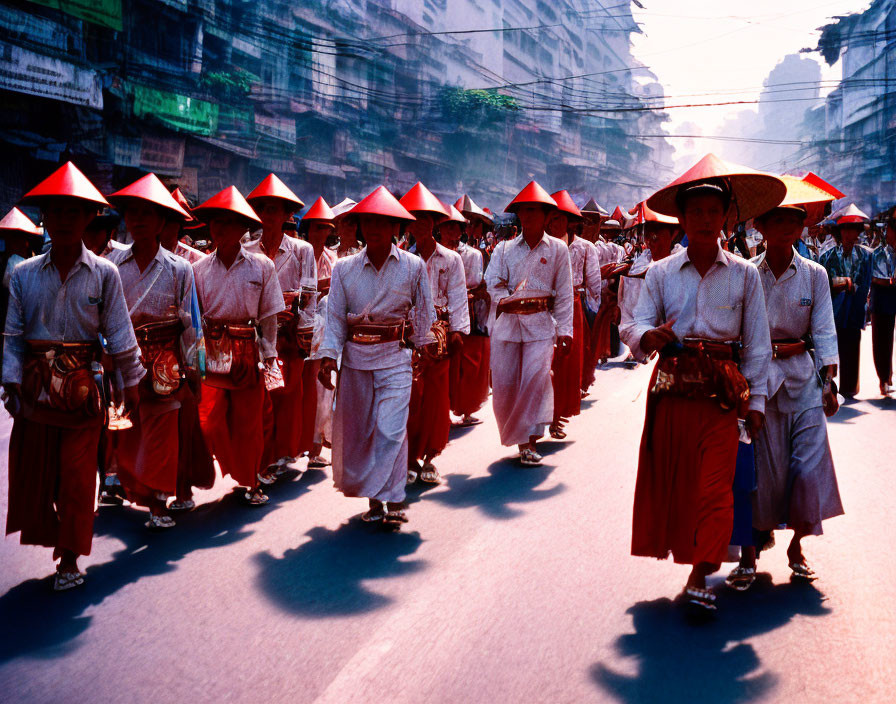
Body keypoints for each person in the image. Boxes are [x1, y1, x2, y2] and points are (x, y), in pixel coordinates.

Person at [628, 154, 780, 612]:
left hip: (722, 398)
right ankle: (693, 558)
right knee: (679, 485)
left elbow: (756, 343)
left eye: (713, 211)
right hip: (672, 392)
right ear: (681, 218)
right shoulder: (658, 274)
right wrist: (647, 336)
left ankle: (700, 573)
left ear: (725, 218)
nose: (705, 219)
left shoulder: (745, 275)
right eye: (695, 211)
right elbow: (634, 325)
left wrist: (756, 404)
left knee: (716, 487)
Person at [3, 162, 143, 590]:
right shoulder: (23, 275)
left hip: (84, 396)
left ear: (88, 220)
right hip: (35, 395)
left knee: (78, 480)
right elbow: (12, 335)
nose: (64, 221)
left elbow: (120, 333)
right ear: (44, 217)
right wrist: (9, 381)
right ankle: (54, 539)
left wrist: (132, 385)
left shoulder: (105, 274)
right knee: (38, 478)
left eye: (73, 213)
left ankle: (69, 559)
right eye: (55, 212)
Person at [724, 182, 843, 589]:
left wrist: (830, 381)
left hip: (803, 382)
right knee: (759, 473)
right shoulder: (745, 274)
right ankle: (749, 557)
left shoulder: (815, 275)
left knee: (807, 470)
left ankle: (797, 547)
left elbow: (825, 330)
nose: (787, 227)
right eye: (778, 220)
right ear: (761, 225)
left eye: (794, 220)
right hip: (759, 384)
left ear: (802, 226)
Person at [319, 187, 434, 527]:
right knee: (363, 432)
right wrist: (328, 356)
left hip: (396, 358)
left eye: (382, 223)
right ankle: (374, 501)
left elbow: (424, 311)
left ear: (396, 228)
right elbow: (336, 318)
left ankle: (395, 498)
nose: (374, 229)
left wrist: (422, 346)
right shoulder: (344, 269)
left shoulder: (413, 266)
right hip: (355, 361)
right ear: (358, 226)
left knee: (390, 429)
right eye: (368, 222)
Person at [105, 174, 199, 529]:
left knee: (162, 432)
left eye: (148, 213)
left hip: (166, 362)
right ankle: (131, 486)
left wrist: (194, 370)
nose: (139, 220)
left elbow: (191, 325)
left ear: (162, 221)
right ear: (126, 219)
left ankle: (159, 502)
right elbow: (104, 319)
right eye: (133, 213)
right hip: (124, 361)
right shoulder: (112, 266)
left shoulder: (180, 269)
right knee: (127, 433)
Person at [192, 186, 284, 506]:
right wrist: (195, 360)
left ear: (244, 228)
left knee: (249, 422)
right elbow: (194, 320)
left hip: (248, 348)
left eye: (228, 223)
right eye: (215, 222)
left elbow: (269, 316)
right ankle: (230, 466)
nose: (219, 229)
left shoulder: (262, 266)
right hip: (212, 348)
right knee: (209, 419)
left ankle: (252, 481)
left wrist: (270, 356)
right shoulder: (198, 270)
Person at [486, 181, 573, 466]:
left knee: (535, 380)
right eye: (524, 211)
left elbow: (564, 293)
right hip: (508, 325)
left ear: (547, 216)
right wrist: (507, 299)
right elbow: (492, 283)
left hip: (540, 326)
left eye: (535, 211)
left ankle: (529, 442)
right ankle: (520, 439)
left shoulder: (559, 249)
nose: (528, 217)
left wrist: (565, 330)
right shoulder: (503, 249)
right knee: (506, 385)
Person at [244, 173, 317, 478]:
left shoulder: (302, 251)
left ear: (287, 214)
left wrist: (305, 332)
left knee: (286, 392)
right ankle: (265, 452)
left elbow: (311, 294)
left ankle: (280, 451)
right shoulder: (247, 251)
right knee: (264, 394)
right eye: (262, 210)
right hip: (258, 335)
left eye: (274, 210)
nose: (268, 217)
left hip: (290, 335)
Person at [400, 183, 469, 485]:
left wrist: (458, 331)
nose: (421, 224)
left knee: (437, 396)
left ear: (435, 223)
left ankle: (430, 456)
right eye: (415, 218)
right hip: (409, 334)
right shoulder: (401, 258)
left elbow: (458, 297)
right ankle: (410, 455)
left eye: (427, 219)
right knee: (410, 394)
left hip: (440, 334)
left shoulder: (451, 260)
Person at [159, 187, 215, 512]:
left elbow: (197, 318)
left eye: (169, 220)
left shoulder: (191, 263)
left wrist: (197, 367)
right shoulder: (126, 263)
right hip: (144, 356)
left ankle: (181, 487)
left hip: (182, 355)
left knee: (183, 426)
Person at [545, 190, 600, 439]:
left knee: (566, 363)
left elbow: (594, 283)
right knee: (544, 362)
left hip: (574, 304)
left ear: (569, 221)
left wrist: (596, 312)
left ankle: (557, 417)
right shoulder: (542, 245)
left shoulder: (585, 248)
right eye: (551, 219)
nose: (555, 224)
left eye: (560, 219)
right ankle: (541, 414)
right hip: (545, 306)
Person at [442, 204, 491, 427]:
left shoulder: (473, 255)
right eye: (447, 227)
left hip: (468, 311)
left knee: (469, 363)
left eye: (456, 227)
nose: (452, 232)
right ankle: (442, 408)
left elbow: (472, 283)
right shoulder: (428, 252)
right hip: (439, 315)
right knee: (444, 365)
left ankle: (467, 409)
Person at [819, 205, 873, 399]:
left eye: (853, 229)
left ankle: (850, 386)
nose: (849, 234)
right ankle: (831, 386)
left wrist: (853, 288)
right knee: (834, 347)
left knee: (852, 346)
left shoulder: (867, 256)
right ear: (839, 232)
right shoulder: (827, 257)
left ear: (858, 233)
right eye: (845, 229)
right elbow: (823, 283)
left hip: (855, 307)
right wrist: (841, 283)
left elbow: (865, 283)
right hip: (835, 308)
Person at [301, 196, 338, 468]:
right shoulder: (298, 254)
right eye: (317, 227)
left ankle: (314, 447)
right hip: (298, 330)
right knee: (296, 392)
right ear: (308, 229)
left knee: (320, 391)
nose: (321, 233)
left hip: (323, 332)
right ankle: (294, 444)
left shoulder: (333, 259)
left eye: (325, 228)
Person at [618, 205, 678, 364]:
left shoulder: (689, 267)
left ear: (674, 233)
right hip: (654, 360)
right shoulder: (636, 270)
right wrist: (645, 338)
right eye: (648, 233)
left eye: (658, 232)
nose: (651, 240)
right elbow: (627, 323)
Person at [870, 210, 896, 396]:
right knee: (882, 341)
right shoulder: (877, 253)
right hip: (882, 299)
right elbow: (875, 278)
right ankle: (884, 377)